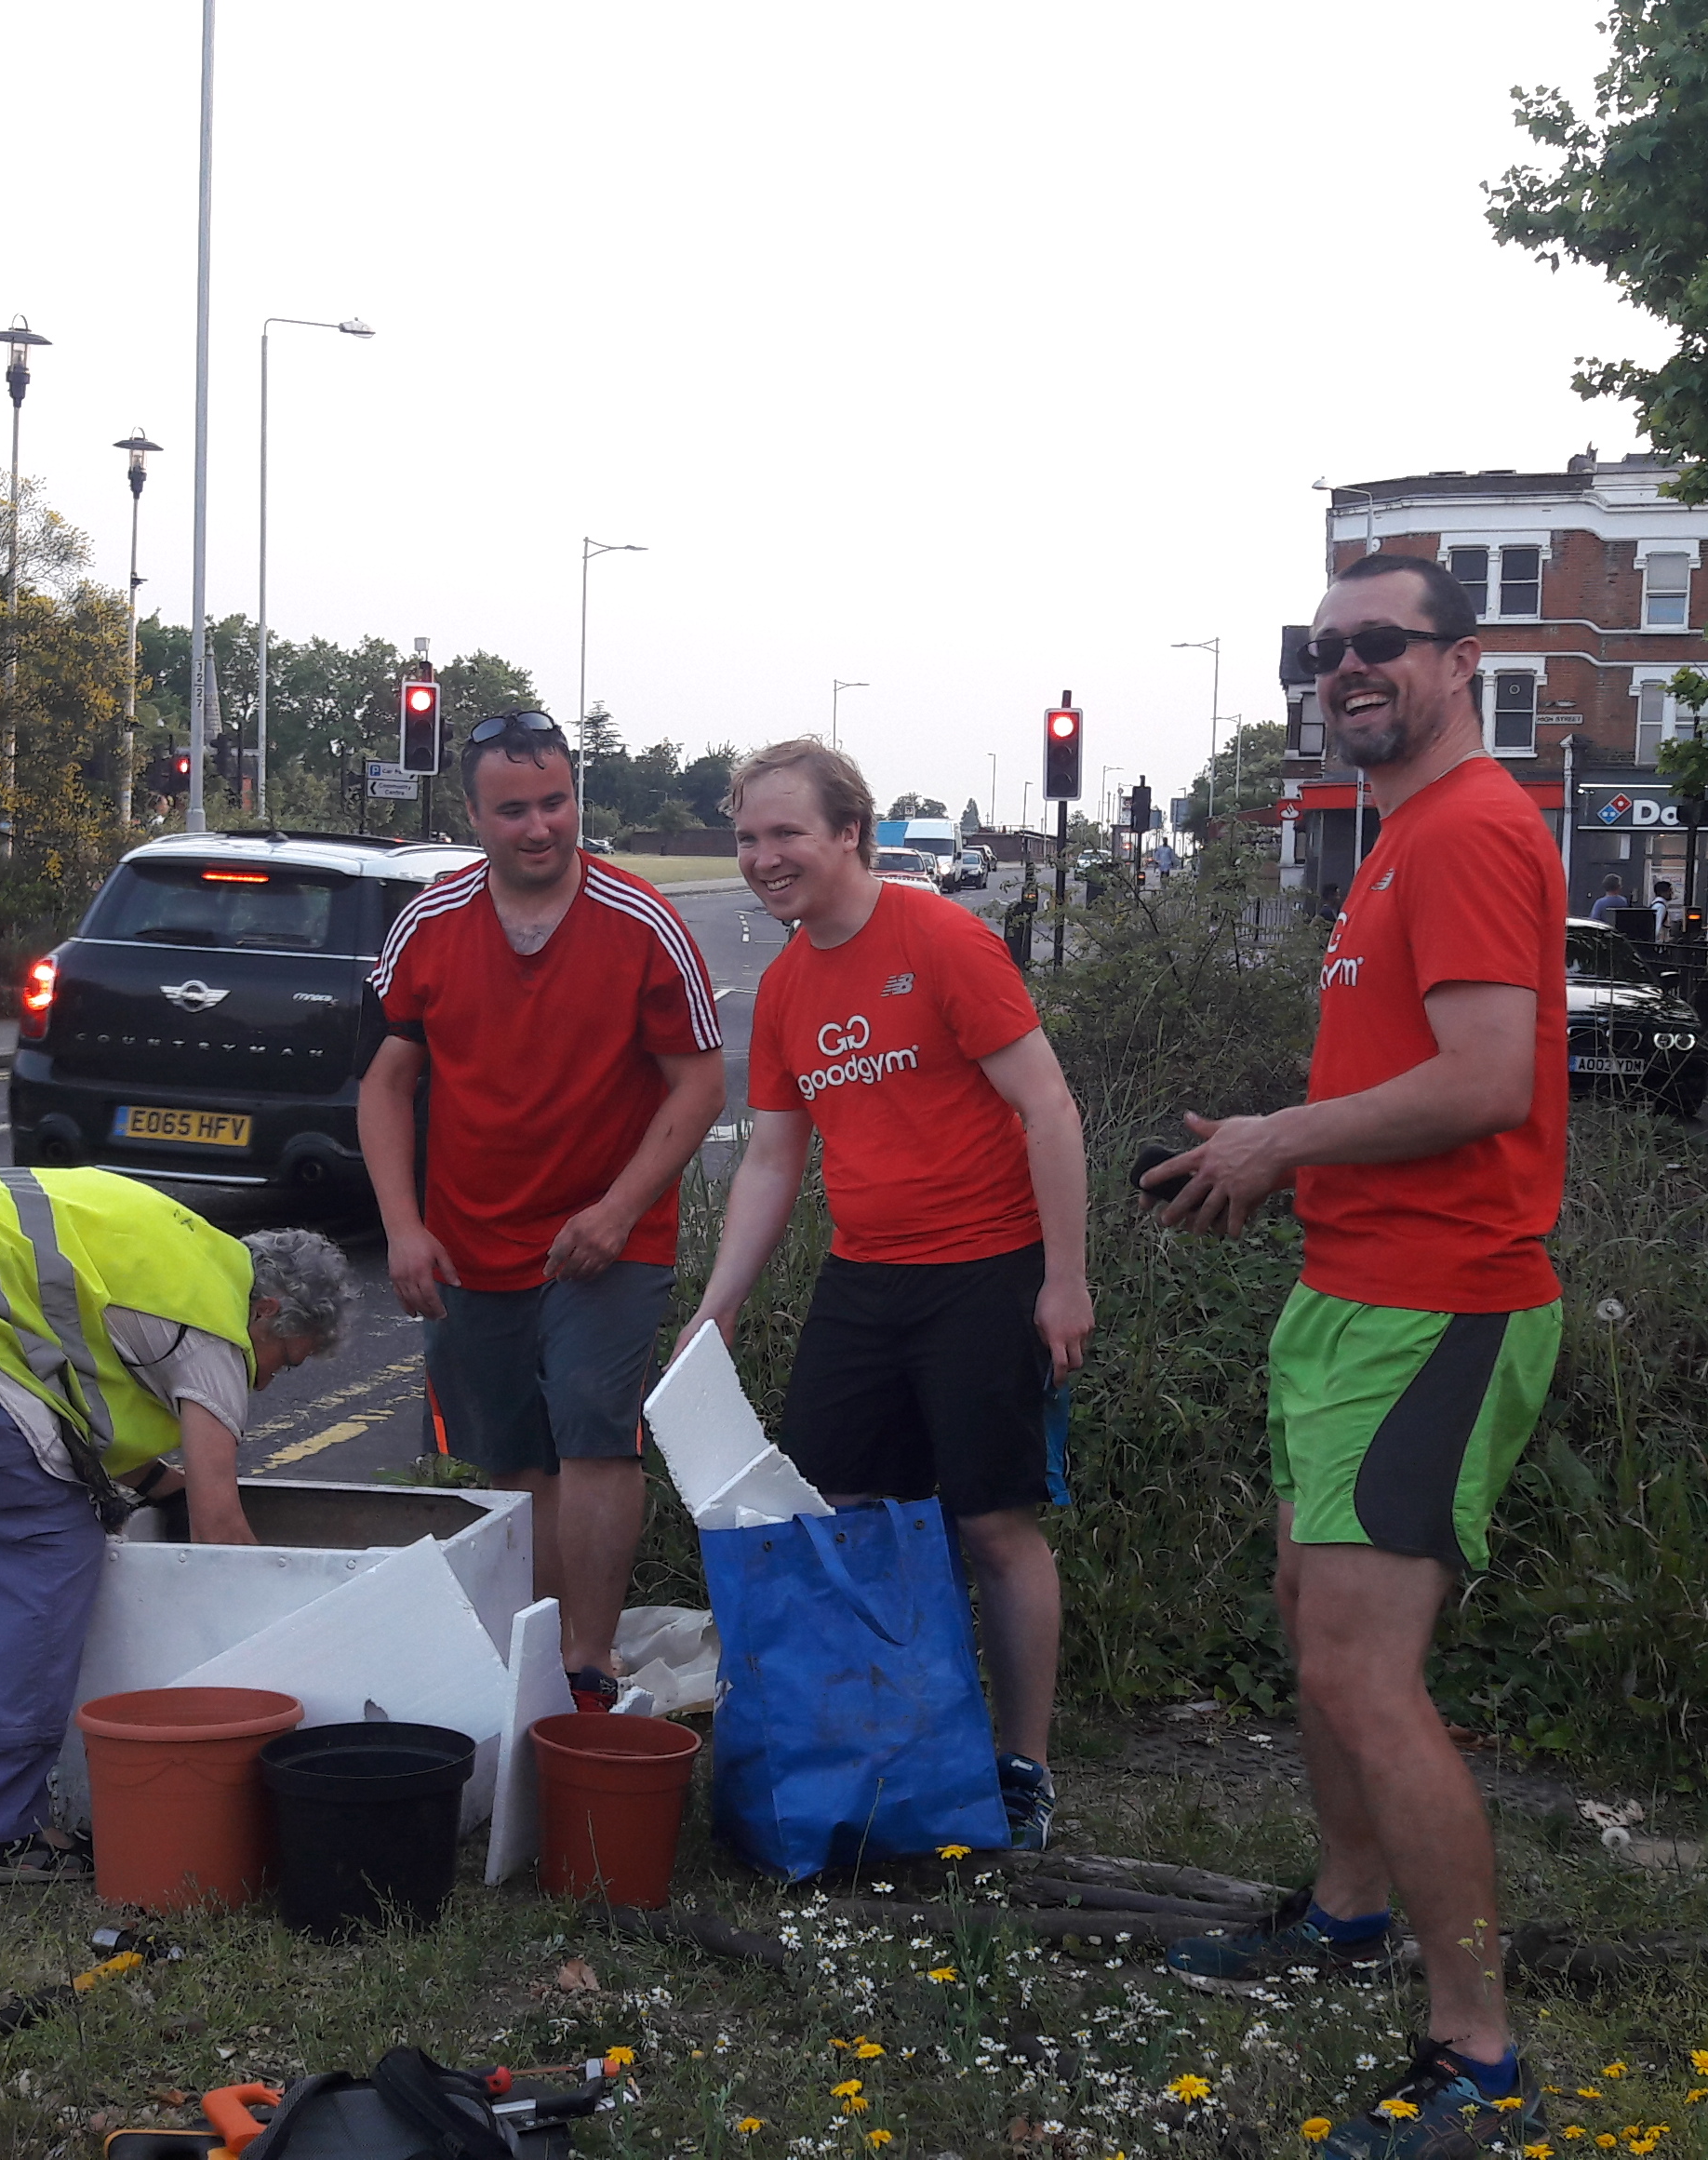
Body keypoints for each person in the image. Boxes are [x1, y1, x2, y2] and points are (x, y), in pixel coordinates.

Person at [1142, 553, 1567, 2156]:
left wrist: (1277, 1136)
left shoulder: (1461, 832)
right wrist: (1273, 1164)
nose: (1344, 670)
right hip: (1354, 1287)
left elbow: (1482, 1082)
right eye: (1321, 651)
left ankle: (1476, 2051)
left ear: (1459, 659)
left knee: (1357, 1666)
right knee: (1306, 1621)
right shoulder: (1396, 836)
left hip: (1439, 1301)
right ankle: (1340, 1915)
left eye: (1377, 644)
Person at [687, 740, 1096, 1849]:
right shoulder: (785, 988)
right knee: (843, 1515)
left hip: (986, 1269)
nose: (764, 859)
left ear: (851, 834)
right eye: (748, 838)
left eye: (787, 835)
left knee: (990, 1521)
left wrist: (1065, 1280)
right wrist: (720, 1300)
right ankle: (882, 1746)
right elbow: (773, 1159)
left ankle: (1023, 1766)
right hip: (865, 1279)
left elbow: (1048, 1109)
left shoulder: (942, 940)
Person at [0, 1166, 352, 1885]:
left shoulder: (185, 1255)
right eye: (291, 1358)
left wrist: (162, 1486)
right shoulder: (220, 1321)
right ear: (272, 1310)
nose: (273, 1379)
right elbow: (224, 1533)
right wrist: (293, 1641)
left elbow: (72, 1400)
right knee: (44, 1543)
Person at [362, 711, 726, 1713]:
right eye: (513, 808)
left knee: (595, 1433)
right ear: (473, 817)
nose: (539, 826)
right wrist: (402, 1225)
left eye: (556, 802)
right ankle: (539, 1661)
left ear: (578, 801)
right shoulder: (429, 924)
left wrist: (615, 1212)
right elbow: (388, 1082)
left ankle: (589, 1664)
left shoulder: (640, 920)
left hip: (607, 1241)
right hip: (470, 1240)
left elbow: (699, 1082)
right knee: (511, 1454)